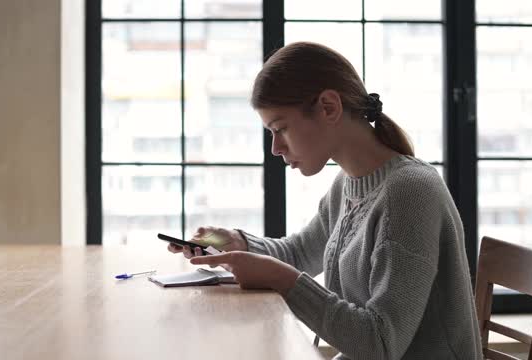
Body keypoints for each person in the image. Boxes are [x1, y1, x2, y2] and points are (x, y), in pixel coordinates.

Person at [167, 42, 482, 359]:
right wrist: (237, 244)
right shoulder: (348, 183)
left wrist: (284, 281)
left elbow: (381, 345)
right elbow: (300, 252)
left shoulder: (411, 192)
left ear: (329, 107)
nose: (276, 148)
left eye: (281, 128)